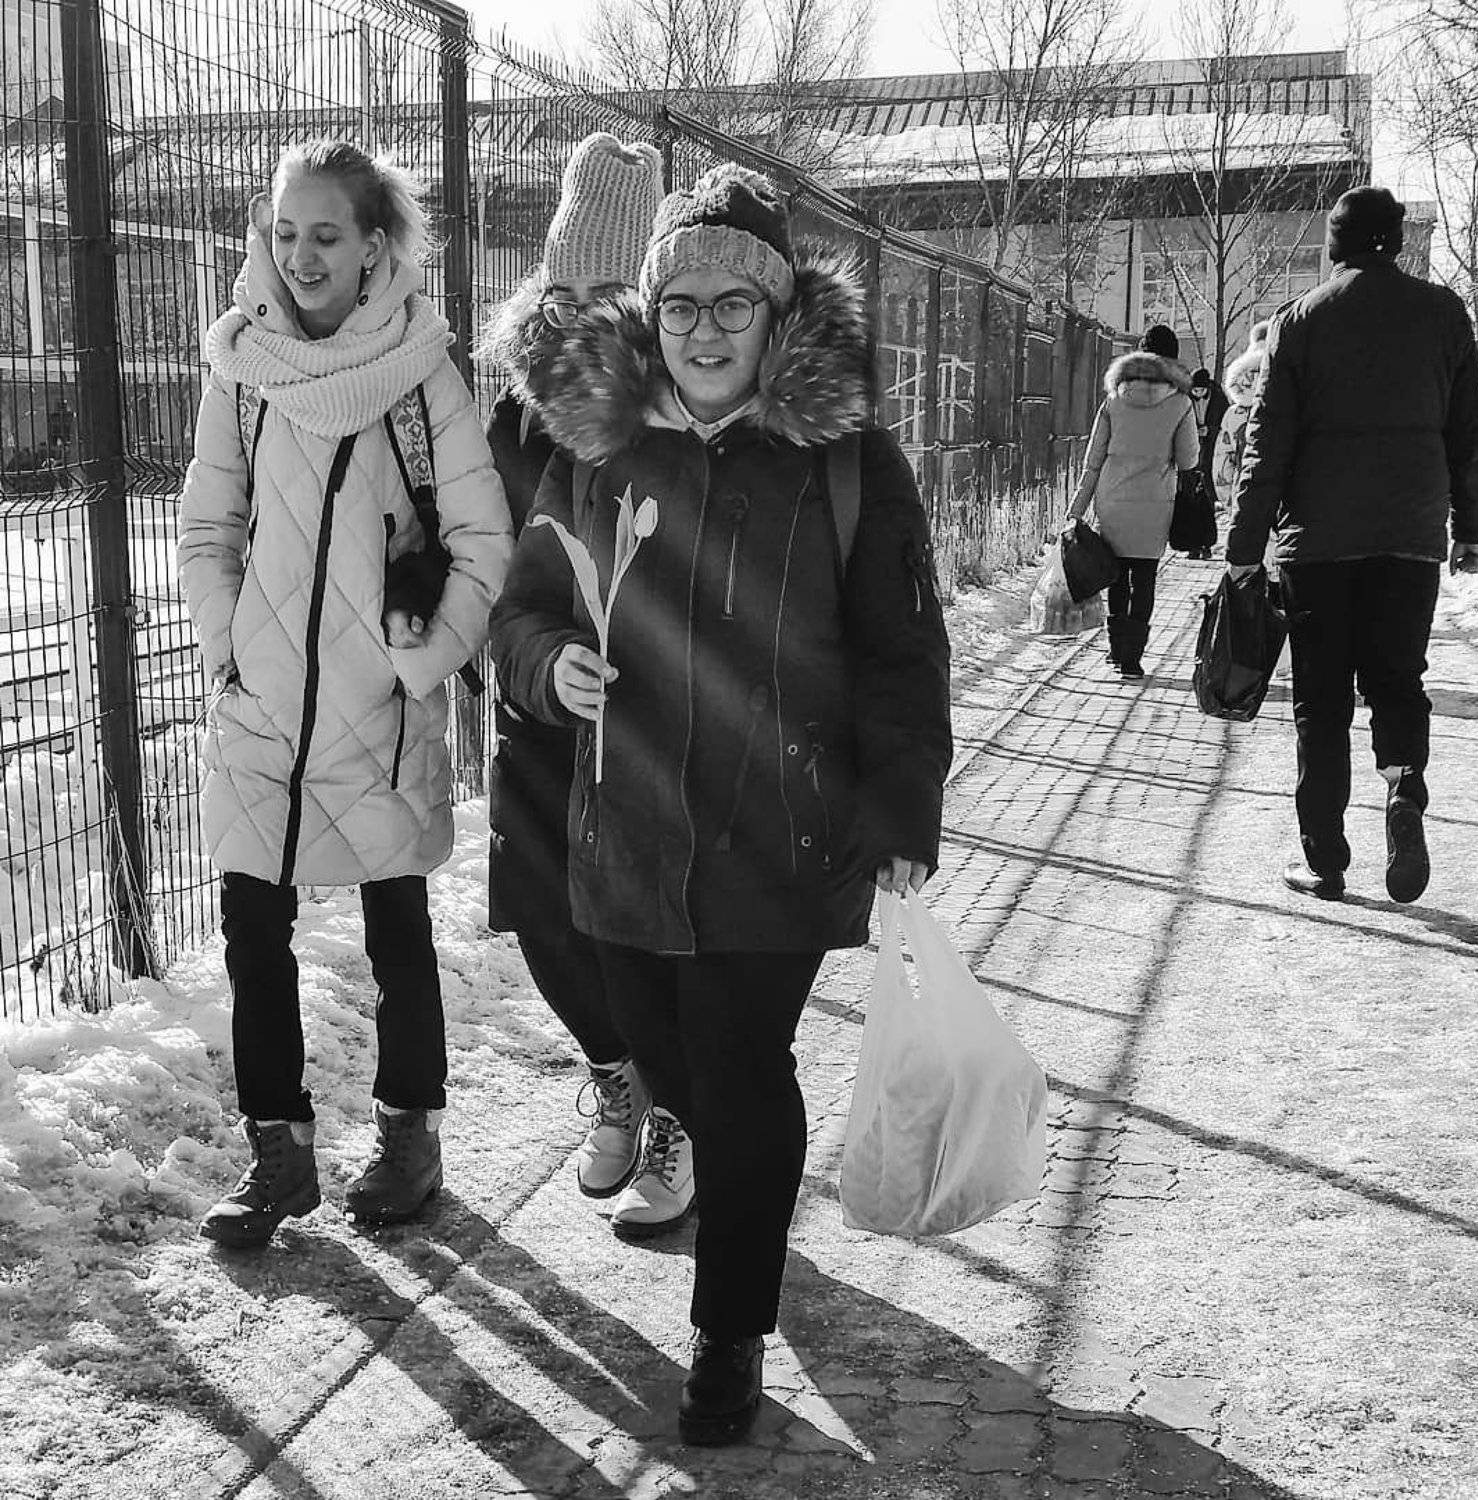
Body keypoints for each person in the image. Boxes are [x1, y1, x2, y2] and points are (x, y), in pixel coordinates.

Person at [490, 163, 952, 1446]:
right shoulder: (599, 447)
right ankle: (730, 1197)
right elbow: (522, 611)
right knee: (673, 1060)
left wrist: (901, 809)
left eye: (732, 304)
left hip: (779, 837)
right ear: (652, 314)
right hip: (626, 837)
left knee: (744, 1074)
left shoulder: (845, 461)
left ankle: (729, 1328)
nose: (703, 329)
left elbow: (904, 651)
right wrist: (545, 665)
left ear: (777, 314)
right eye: (681, 303)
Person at [178, 140, 513, 1247]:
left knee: (395, 926)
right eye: (286, 233)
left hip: (380, 706)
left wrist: (420, 663)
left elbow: (483, 540)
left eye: (326, 234)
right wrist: (228, 648)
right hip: (264, 701)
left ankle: (410, 1138)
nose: (302, 255)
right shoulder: (242, 367)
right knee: (250, 926)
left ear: (374, 246)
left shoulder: (421, 375)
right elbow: (209, 526)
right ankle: (276, 1154)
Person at [474, 132, 672, 1231]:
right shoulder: (509, 413)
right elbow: (487, 562)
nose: (584, 316)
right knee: (543, 913)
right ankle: (616, 1073)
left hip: (649, 720)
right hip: (539, 700)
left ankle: (675, 1106)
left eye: (610, 294)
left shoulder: (673, 413)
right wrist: (536, 661)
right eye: (569, 291)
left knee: (643, 925)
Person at [1225, 186, 1478, 903]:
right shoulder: (1443, 313)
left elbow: (1267, 443)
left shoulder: (1301, 319)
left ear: (1336, 244)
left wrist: (1244, 545)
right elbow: (1469, 431)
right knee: (1398, 680)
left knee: (1321, 700)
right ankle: (1404, 787)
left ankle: (1326, 860)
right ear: (1396, 242)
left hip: (1318, 543)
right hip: (1409, 537)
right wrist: (1472, 527)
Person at [1065, 322, 1199, 679]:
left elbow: (1093, 461)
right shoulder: (1181, 403)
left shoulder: (1114, 399)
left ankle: (1115, 648)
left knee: (1117, 577)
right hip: (1155, 505)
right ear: (1173, 360)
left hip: (1113, 500)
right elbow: (1189, 460)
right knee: (1145, 578)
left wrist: (1076, 510)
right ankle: (1132, 659)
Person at [1215, 320, 1270, 498]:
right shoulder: (1289, 407)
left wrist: (1228, 500)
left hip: (1242, 491)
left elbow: (1222, 462)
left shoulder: (1233, 414)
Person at [1186, 365, 1229, 558]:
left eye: (1201, 390)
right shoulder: (1185, 399)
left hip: (1212, 451)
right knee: (1190, 501)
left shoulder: (1219, 399)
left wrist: (1209, 430)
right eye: (1195, 390)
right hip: (1191, 450)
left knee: (1207, 502)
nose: (1197, 393)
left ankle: (1207, 545)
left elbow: (1225, 423)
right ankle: (1192, 545)